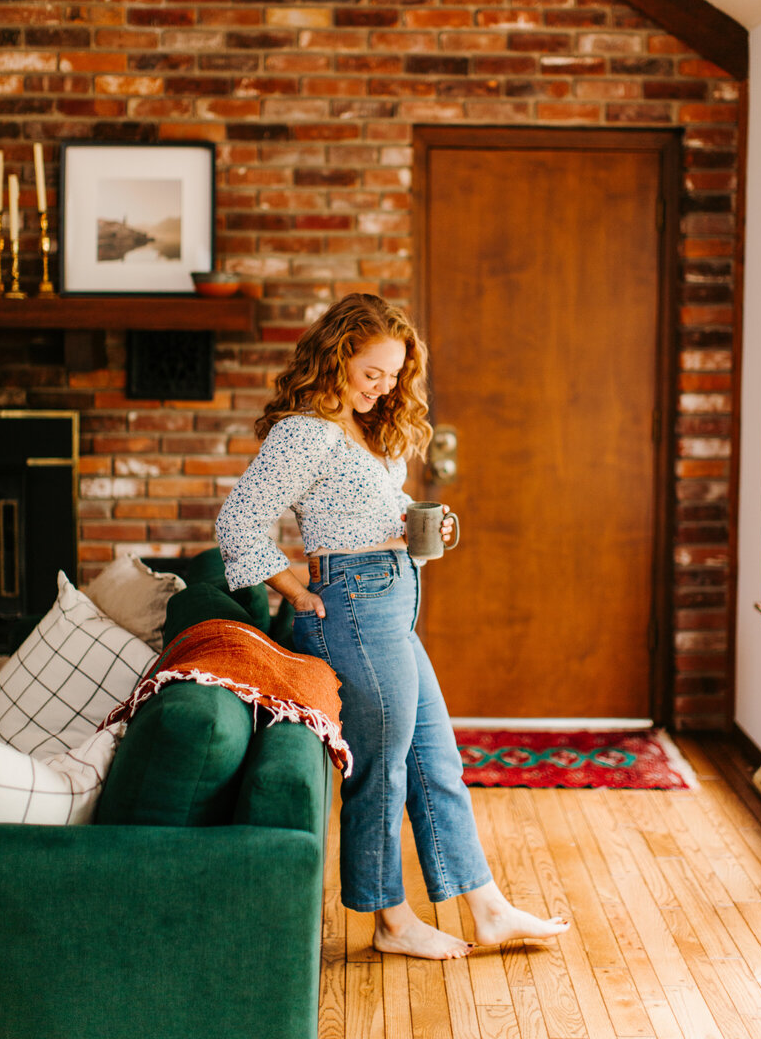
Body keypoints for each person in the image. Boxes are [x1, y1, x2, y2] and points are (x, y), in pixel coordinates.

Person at [216, 293, 569, 960]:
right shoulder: (305, 432)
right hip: (352, 608)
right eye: (371, 372)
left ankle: (485, 905)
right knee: (381, 771)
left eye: (393, 375)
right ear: (336, 356)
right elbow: (239, 522)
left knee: (438, 760)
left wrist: (421, 517)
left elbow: (369, 505)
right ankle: (391, 921)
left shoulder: (364, 428)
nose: (383, 388)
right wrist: (293, 587)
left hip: (392, 604)